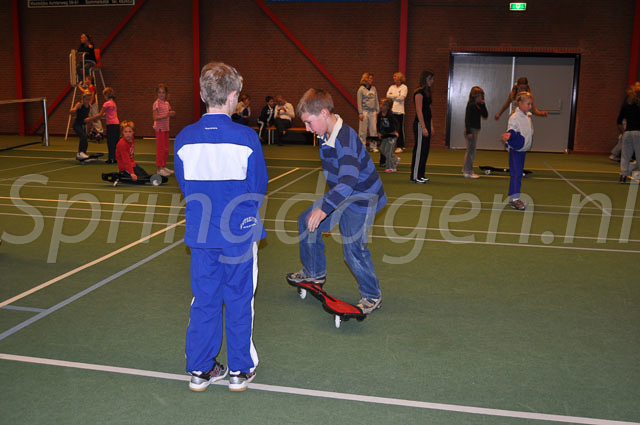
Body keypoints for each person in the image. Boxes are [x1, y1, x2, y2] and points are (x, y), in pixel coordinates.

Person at [174, 61, 268, 392]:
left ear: (203, 95)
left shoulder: (184, 139)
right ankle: (240, 370)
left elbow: (185, 186)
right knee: (240, 298)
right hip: (238, 234)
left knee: (205, 299)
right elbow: (258, 187)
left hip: (202, 236)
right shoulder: (246, 138)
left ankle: (200, 370)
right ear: (232, 96)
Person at [286, 88, 387, 314]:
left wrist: (324, 209)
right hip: (343, 194)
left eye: (309, 122)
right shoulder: (325, 133)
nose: (307, 129)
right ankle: (314, 272)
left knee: (353, 251)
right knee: (306, 221)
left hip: (362, 199)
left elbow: (349, 181)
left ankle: (372, 295)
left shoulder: (345, 139)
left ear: (324, 113)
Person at [501, 92, 534, 210]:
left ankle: (515, 198)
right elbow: (512, 129)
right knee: (516, 173)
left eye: (531, 104)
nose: (530, 106)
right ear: (520, 103)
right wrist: (509, 135)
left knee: (519, 174)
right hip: (515, 150)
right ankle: (514, 200)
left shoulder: (528, 117)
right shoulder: (514, 117)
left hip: (522, 150)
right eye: (528, 104)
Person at [410, 70, 434, 183]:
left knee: (425, 150)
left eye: (432, 79)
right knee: (419, 151)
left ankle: (421, 174)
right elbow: (419, 111)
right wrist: (423, 127)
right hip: (420, 124)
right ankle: (415, 176)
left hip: (427, 123)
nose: (432, 81)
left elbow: (428, 110)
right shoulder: (419, 92)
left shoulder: (427, 92)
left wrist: (431, 126)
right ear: (425, 79)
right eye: (430, 79)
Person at [462, 86, 488, 179]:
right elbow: (467, 119)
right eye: (479, 96)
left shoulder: (479, 105)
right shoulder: (471, 105)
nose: (481, 98)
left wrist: (483, 105)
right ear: (474, 96)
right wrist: (469, 131)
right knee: (471, 151)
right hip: (471, 130)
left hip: (475, 130)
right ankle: (467, 171)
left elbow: (485, 115)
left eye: (481, 96)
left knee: (471, 151)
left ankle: (467, 169)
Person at [617, 83, 640, 183]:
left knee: (625, 157)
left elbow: (619, 121)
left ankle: (623, 176)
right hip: (638, 133)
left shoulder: (627, 103)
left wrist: (624, 132)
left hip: (628, 133)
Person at [153, 83, 176, 177]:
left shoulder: (167, 103)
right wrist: (167, 115)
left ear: (166, 94)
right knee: (161, 149)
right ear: (157, 93)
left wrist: (171, 113)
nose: (161, 94)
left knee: (166, 149)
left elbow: (168, 113)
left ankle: (163, 166)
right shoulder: (156, 104)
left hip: (166, 128)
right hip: (160, 129)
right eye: (159, 92)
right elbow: (155, 117)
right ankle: (159, 169)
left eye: (163, 92)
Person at [70, 92, 100, 160]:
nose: (87, 101)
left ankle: (83, 153)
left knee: (85, 138)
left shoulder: (89, 106)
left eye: (89, 99)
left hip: (83, 125)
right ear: (83, 98)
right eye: (86, 99)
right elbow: (72, 111)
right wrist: (74, 110)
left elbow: (87, 116)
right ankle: (80, 153)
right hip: (77, 125)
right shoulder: (79, 104)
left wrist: (92, 123)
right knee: (83, 136)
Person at [357, 72, 380, 152]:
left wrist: (377, 111)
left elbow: (376, 100)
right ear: (365, 79)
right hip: (364, 112)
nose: (371, 80)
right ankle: (362, 146)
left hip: (372, 112)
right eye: (370, 78)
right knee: (363, 131)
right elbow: (359, 102)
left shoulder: (373, 88)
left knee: (373, 130)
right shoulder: (361, 89)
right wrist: (360, 113)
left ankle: (373, 147)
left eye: (372, 79)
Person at [386, 72, 408, 153]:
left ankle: (400, 146)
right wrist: (396, 96)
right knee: (391, 129)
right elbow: (388, 96)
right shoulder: (391, 87)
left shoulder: (404, 87)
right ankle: (391, 145)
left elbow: (402, 98)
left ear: (399, 78)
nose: (394, 78)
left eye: (395, 77)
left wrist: (393, 96)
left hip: (399, 112)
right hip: (391, 111)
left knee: (399, 129)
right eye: (393, 77)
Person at [377, 98, 400, 173]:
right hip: (385, 134)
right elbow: (378, 124)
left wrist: (396, 132)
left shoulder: (390, 115)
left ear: (388, 107)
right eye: (381, 104)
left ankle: (391, 167)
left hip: (392, 134)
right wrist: (379, 132)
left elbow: (396, 124)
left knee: (388, 152)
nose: (381, 106)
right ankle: (395, 159)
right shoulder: (380, 114)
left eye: (383, 105)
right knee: (382, 150)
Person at [99, 87, 119, 164]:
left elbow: (100, 114)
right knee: (115, 142)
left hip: (111, 124)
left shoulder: (106, 103)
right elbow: (110, 113)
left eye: (104, 95)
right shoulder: (113, 103)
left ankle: (111, 158)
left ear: (107, 95)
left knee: (110, 142)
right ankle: (115, 158)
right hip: (116, 124)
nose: (104, 97)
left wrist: (91, 118)